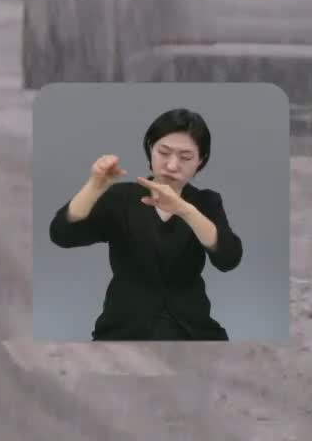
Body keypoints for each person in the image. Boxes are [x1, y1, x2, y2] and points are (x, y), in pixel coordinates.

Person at [48, 108, 243, 340]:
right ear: (150, 148)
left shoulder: (206, 202)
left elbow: (229, 257)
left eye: (185, 157)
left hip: (192, 330)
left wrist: (184, 210)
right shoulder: (122, 198)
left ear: (201, 161)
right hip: (123, 329)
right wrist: (94, 186)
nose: (172, 165)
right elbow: (62, 234)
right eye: (164, 152)